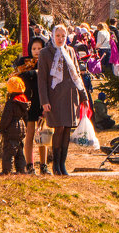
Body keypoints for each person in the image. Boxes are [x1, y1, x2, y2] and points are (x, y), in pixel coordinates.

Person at [37, 25, 88, 176]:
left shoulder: (70, 51)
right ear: (53, 36)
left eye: (63, 36)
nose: (60, 39)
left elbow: (77, 75)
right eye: (58, 35)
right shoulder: (45, 53)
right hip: (54, 97)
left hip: (70, 96)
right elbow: (42, 79)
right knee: (58, 129)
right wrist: (44, 100)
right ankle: (55, 166)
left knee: (67, 129)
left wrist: (83, 96)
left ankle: (62, 164)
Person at [16, 37, 49, 174]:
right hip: (30, 103)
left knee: (44, 135)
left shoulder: (47, 62)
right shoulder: (25, 63)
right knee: (29, 134)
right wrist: (32, 73)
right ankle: (30, 165)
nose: (36, 51)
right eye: (34, 49)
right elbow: (19, 76)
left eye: (39, 49)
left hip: (43, 102)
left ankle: (44, 165)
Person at [0, 76, 29, 175]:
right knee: (19, 150)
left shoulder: (11, 102)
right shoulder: (24, 101)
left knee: (9, 151)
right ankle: (21, 169)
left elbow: (6, 117)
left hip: (12, 128)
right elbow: (26, 117)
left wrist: (2, 128)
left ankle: (7, 171)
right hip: (22, 127)